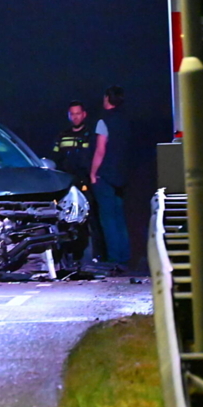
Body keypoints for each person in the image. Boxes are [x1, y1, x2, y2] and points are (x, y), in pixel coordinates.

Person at [51, 100, 104, 261]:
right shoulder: (62, 135)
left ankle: (97, 255)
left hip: (87, 183)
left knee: (92, 220)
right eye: (72, 114)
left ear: (84, 114)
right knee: (64, 220)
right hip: (66, 184)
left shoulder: (90, 135)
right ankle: (65, 255)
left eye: (78, 113)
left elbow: (97, 155)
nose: (75, 117)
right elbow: (55, 158)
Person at [89, 86, 132, 272]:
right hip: (122, 174)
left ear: (107, 98)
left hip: (105, 174)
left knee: (107, 219)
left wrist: (93, 173)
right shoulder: (125, 120)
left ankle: (114, 258)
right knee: (119, 217)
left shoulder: (103, 121)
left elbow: (100, 150)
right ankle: (125, 256)